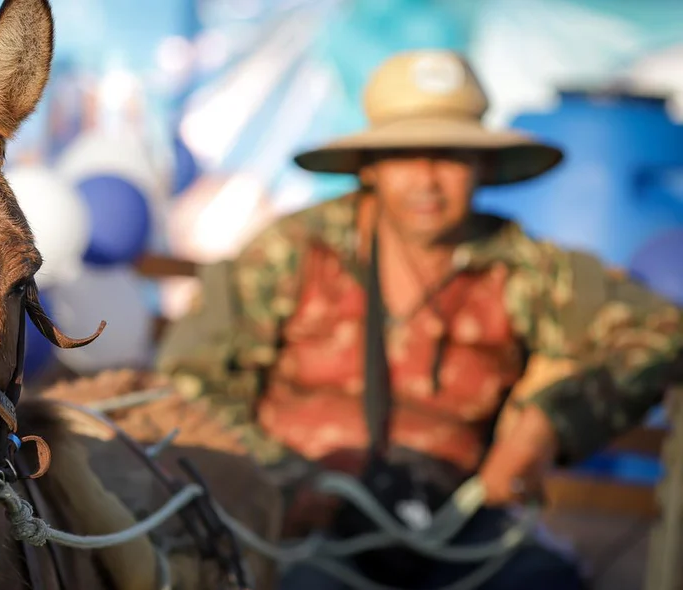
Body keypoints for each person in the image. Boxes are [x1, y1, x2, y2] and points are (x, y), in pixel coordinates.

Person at [156, 50, 683, 589]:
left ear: (482, 166)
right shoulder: (292, 252)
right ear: (370, 166)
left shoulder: (524, 266)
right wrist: (279, 477)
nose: (428, 181)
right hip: (302, 526)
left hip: (459, 519)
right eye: (406, 155)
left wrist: (548, 424)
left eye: (450, 156)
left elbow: (661, 331)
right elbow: (189, 378)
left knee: (543, 580)